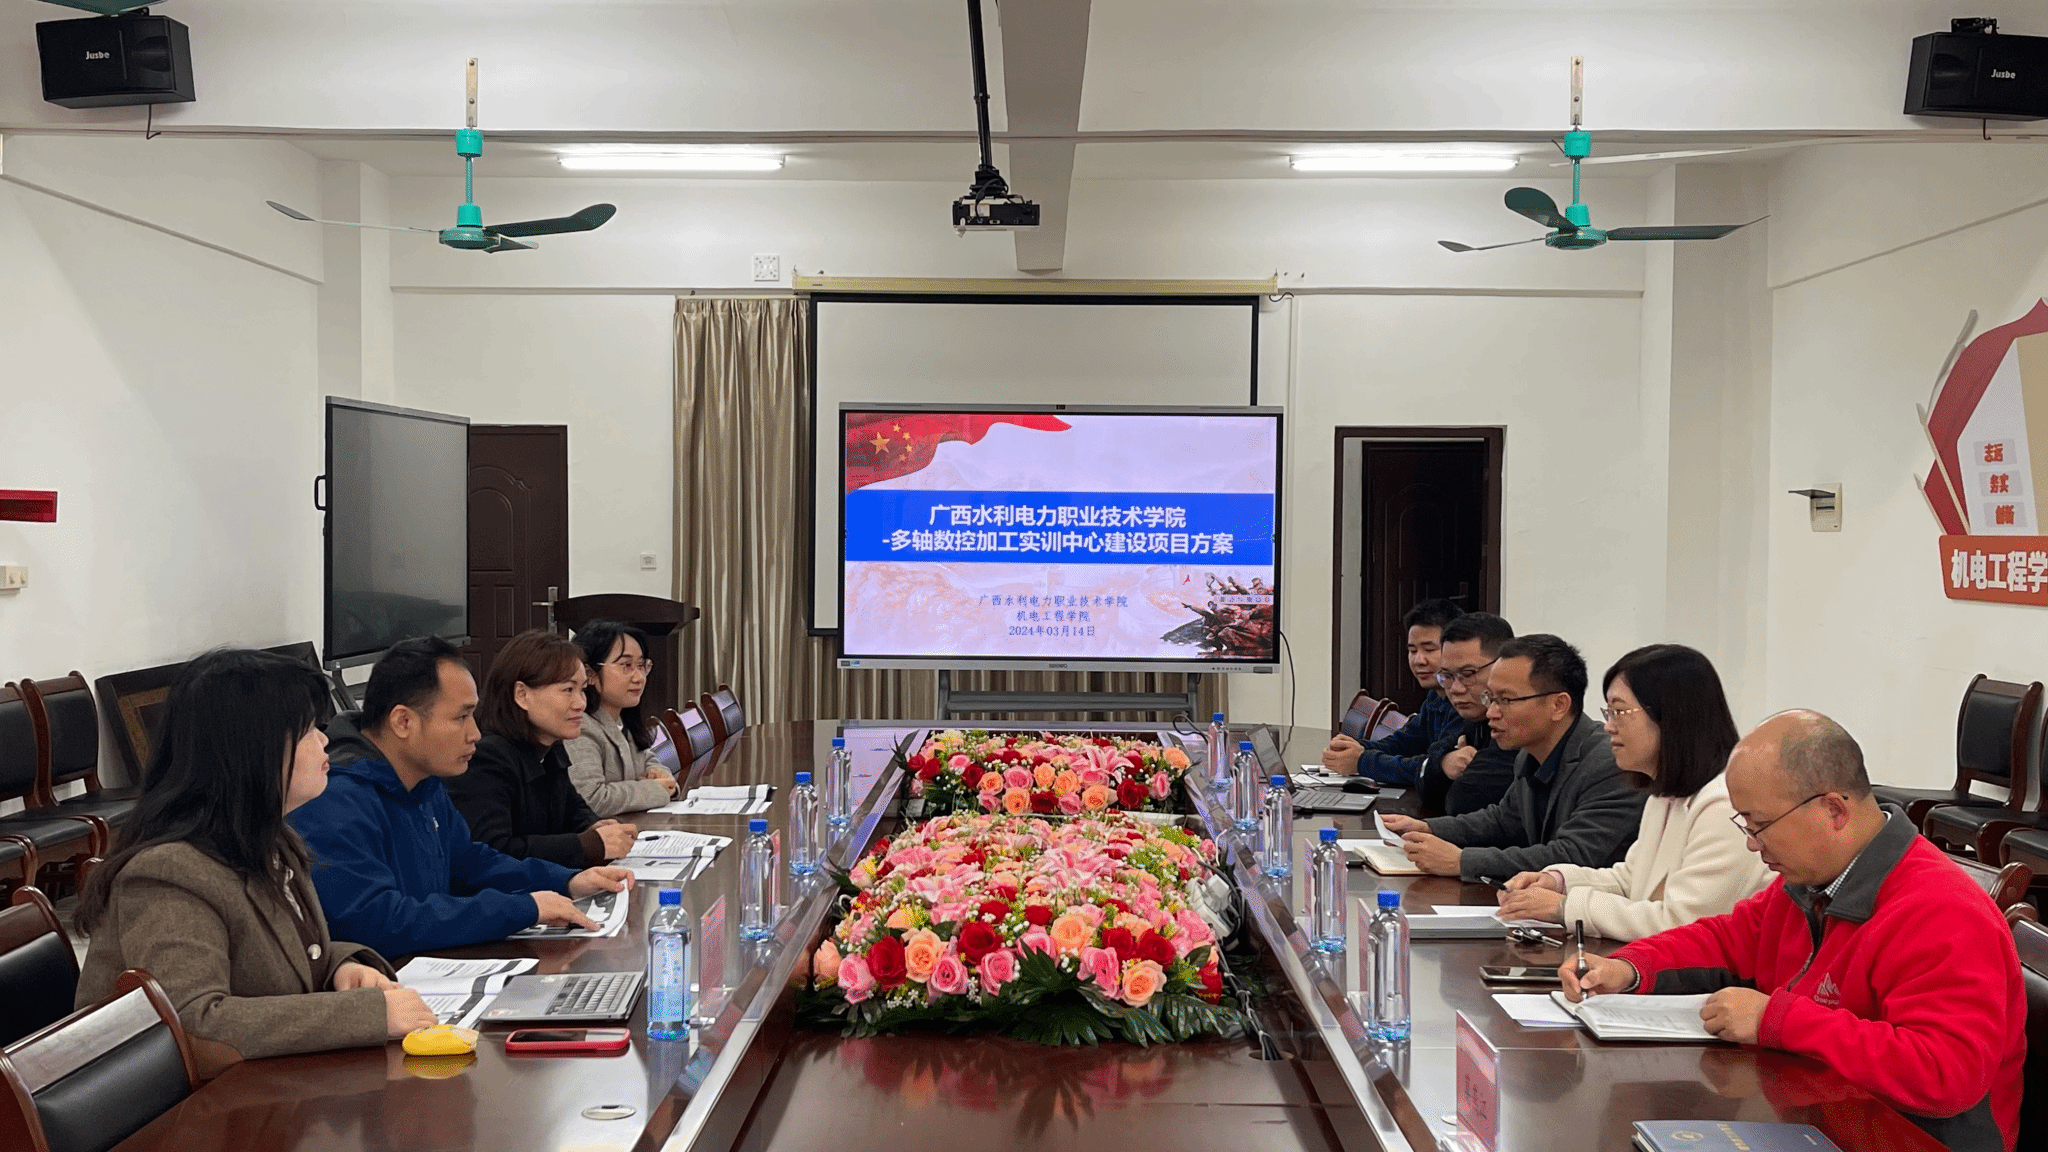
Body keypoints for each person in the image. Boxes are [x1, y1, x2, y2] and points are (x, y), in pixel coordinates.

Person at [1562, 711, 2024, 1152]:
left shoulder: (1942, 911)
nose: (1751, 843)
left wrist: (1778, 1020)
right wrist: (1630, 966)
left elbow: (1944, 1073)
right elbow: (1730, 938)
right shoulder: (1813, 880)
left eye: (1760, 825)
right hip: (1820, 1116)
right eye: (1745, 824)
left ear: (1833, 810)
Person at [74, 648, 438, 1074]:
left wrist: (341, 967)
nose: (324, 740)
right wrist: (366, 1015)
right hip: (171, 1106)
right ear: (254, 751)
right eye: (308, 730)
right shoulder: (169, 872)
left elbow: (270, 961)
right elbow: (193, 1022)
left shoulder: (272, 837)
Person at [291, 637, 632, 958]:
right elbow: (377, 920)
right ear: (403, 721)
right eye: (461, 717)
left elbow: (468, 863)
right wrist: (522, 908)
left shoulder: (424, 781)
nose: (475, 734)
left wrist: (565, 880)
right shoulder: (332, 798)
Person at [1495, 644, 1771, 939]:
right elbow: (1631, 882)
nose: (1608, 727)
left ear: (1671, 715)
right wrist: (1558, 881)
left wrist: (1565, 907)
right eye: (1608, 712)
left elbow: (1682, 922)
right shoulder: (1664, 796)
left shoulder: (1724, 805)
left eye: (1619, 712)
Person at [1381, 633, 1645, 880]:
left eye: (1506, 700)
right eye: (1491, 698)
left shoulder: (1610, 765)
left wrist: (1461, 861)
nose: (1491, 712)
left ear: (1558, 705)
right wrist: (1427, 828)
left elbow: (1573, 856)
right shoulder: (1529, 754)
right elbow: (1504, 820)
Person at [448, 630, 639, 868]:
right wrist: (587, 845)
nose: (581, 703)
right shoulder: (486, 758)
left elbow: (574, 810)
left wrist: (594, 826)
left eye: (582, 690)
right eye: (568, 690)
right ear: (522, 694)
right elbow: (493, 851)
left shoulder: (550, 746)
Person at [1321, 598, 1464, 784]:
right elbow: (1403, 743)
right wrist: (1354, 748)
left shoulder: (1465, 703)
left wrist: (1362, 761)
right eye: (1412, 650)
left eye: (1429, 649)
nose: (1419, 660)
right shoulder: (1435, 696)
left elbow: (1431, 767)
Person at [563, 619, 679, 817]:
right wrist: (657, 789)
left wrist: (661, 775)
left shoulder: (622, 718)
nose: (639, 677)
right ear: (590, 674)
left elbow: (647, 760)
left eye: (641, 665)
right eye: (626, 665)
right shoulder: (580, 726)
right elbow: (591, 799)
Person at [1417, 612, 1520, 817]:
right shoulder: (1474, 717)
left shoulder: (1518, 722)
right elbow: (1425, 788)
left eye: (1468, 674)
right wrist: (1443, 764)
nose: (1455, 689)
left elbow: (1461, 801)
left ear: (1502, 665)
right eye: (1447, 676)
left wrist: (1442, 771)